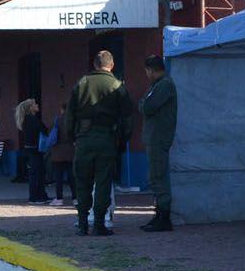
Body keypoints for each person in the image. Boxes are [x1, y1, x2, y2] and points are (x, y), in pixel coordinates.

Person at [64, 50, 134, 236]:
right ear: (111, 65)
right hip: (107, 139)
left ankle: (82, 223)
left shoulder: (82, 83)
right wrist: (122, 142)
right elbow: (128, 118)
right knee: (103, 182)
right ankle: (99, 224)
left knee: (82, 181)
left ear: (95, 64)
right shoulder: (117, 85)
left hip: (84, 139)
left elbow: (69, 115)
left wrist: (72, 138)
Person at [139, 55, 177, 232]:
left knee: (158, 178)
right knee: (155, 177)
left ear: (151, 70)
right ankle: (159, 216)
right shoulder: (158, 86)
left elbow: (146, 106)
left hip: (158, 138)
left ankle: (164, 217)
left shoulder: (164, 85)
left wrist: (143, 103)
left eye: (147, 72)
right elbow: (145, 104)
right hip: (155, 138)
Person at [20, 99, 51, 203]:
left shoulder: (27, 119)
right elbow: (43, 129)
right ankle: (35, 197)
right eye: (34, 104)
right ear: (30, 108)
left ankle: (40, 195)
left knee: (38, 172)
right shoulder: (32, 120)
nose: (37, 105)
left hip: (31, 148)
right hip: (35, 149)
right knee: (37, 173)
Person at [47, 109, 75, 205]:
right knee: (72, 176)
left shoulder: (56, 120)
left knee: (58, 177)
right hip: (71, 151)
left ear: (61, 109)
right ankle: (75, 197)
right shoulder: (73, 120)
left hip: (57, 152)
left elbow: (50, 132)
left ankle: (59, 198)